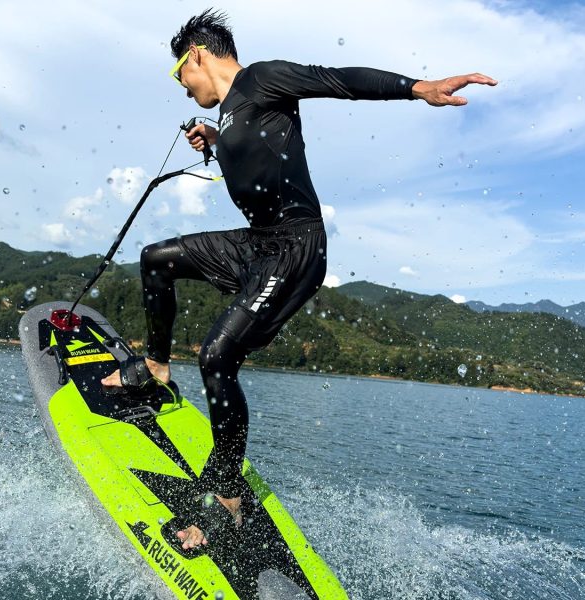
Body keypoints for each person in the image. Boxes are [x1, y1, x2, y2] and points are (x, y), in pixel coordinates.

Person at [102, 9, 497, 550]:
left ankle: (226, 503)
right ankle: (155, 367)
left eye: (179, 75)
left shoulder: (262, 79)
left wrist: (417, 88)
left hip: (295, 246)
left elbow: (338, 79)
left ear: (196, 54)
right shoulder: (235, 113)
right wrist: (212, 140)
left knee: (218, 356)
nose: (182, 87)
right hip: (258, 242)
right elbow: (251, 154)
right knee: (156, 258)